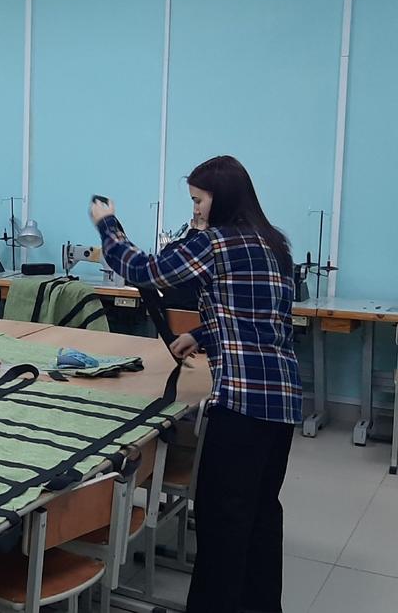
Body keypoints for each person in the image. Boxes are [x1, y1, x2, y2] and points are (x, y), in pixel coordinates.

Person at [90, 155, 300, 613]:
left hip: (242, 403)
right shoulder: (272, 242)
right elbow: (264, 319)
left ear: (220, 199)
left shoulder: (216, 243)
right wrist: (200, 334)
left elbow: (144, 270)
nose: (195, 211)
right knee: (262, 516)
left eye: (198, 200)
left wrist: (108, 224)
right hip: (282, 402)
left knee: (222, 521)